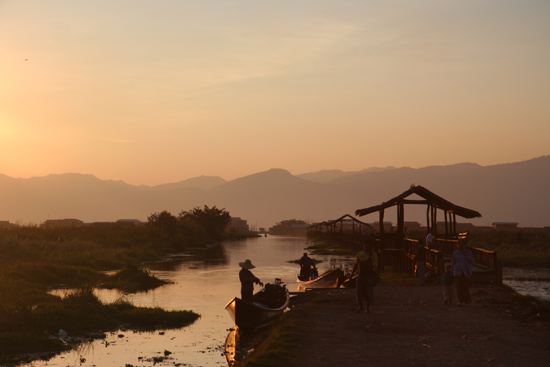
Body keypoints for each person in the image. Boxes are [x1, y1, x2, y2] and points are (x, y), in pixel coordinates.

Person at [351, 241, 378, 314]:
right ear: (363, 246)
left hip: (369, 275)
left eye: (368, 245)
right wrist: (352, 274)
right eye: (365, 245)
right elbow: (356, 265)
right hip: (360, 275)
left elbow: (375, 266)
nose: (367, 246)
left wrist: (373, 275)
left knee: (368, 291)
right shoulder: (360, 254)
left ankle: (367, 308)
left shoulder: (374, 255)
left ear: (371, 246)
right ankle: (361, 307)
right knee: (359, 291)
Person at [451, 239, 474, 305]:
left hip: (465, 271)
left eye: (461, 244)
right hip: (457, 271)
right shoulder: (455, 253)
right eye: (459, 244)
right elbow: (453, 263)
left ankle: (466, 299)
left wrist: (467, 255)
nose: (460, 246)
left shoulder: (467, 252)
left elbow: (472, 260)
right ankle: (460, 300)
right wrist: (452, 272)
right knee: (459, 287)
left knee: (465, 286)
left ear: (464, 245)